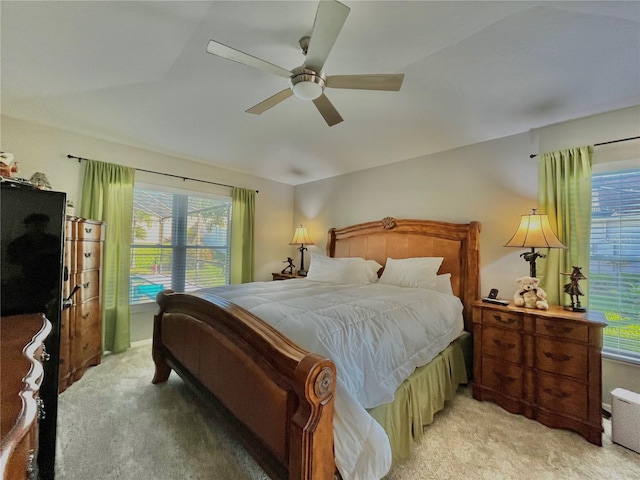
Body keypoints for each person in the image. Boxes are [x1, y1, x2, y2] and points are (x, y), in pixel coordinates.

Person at [6, 213, 62, 314]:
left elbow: (59, 261)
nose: (40, 228)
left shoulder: (53, 241)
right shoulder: (17, 244)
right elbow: (11, 265)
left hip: (49, 283)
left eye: (43, 225)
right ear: (27, 226)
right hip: (26, 284)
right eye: (36, 225)